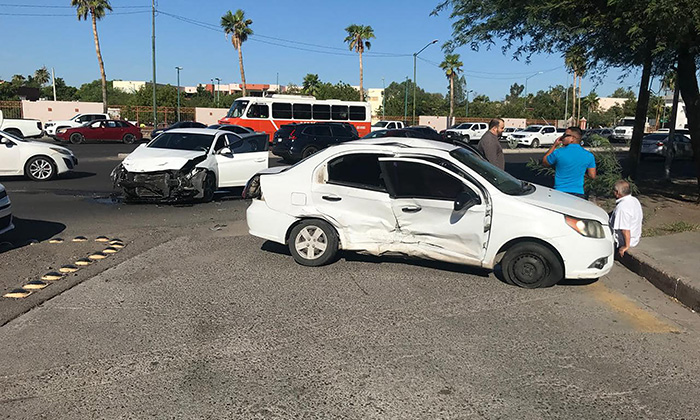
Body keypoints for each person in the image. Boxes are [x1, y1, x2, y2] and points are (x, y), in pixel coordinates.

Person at [542, 126, 596, 198]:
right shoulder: (589, 156)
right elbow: (592, 175)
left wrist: (554, 145)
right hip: (578, 193)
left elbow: (545, 162)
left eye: (565, 135)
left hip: (559, 192)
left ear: (572, 138)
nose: (562, 137)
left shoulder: (558, 152)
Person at [609, 180, 643, 257]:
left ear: (617, 193)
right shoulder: (634, 200)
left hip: (625, 241)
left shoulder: (622, 208)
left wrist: (626, 246)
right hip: (635, 237)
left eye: (614, 191)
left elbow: (625, 230)